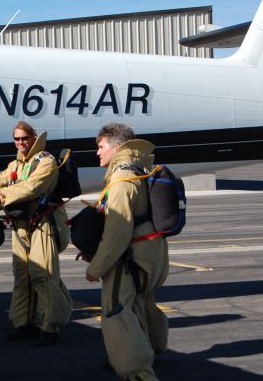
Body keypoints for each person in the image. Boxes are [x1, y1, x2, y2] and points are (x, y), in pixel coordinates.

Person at [85, 122, 169, 380]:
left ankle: (137, 372)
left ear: (118, 147)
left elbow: (117, 233)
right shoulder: (139, 170)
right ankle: (150, 349)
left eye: (101, 147)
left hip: (128, 257)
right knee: (139, 303)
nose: (97, 153)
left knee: (116, 313)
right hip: (149, 253)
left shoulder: (122, 179)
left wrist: (96, 267)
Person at [0, 121, 72, 346]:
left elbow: (32, 187)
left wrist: (0, 194)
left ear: (33, 138)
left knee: (43, 275)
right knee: (22, 274)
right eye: (16, 138)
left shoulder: (46, 162)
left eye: (24, 138)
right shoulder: (16, 164)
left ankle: (51, 326)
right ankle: (24, 323)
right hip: (21, 224)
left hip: (43, 224)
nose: (20, 142)